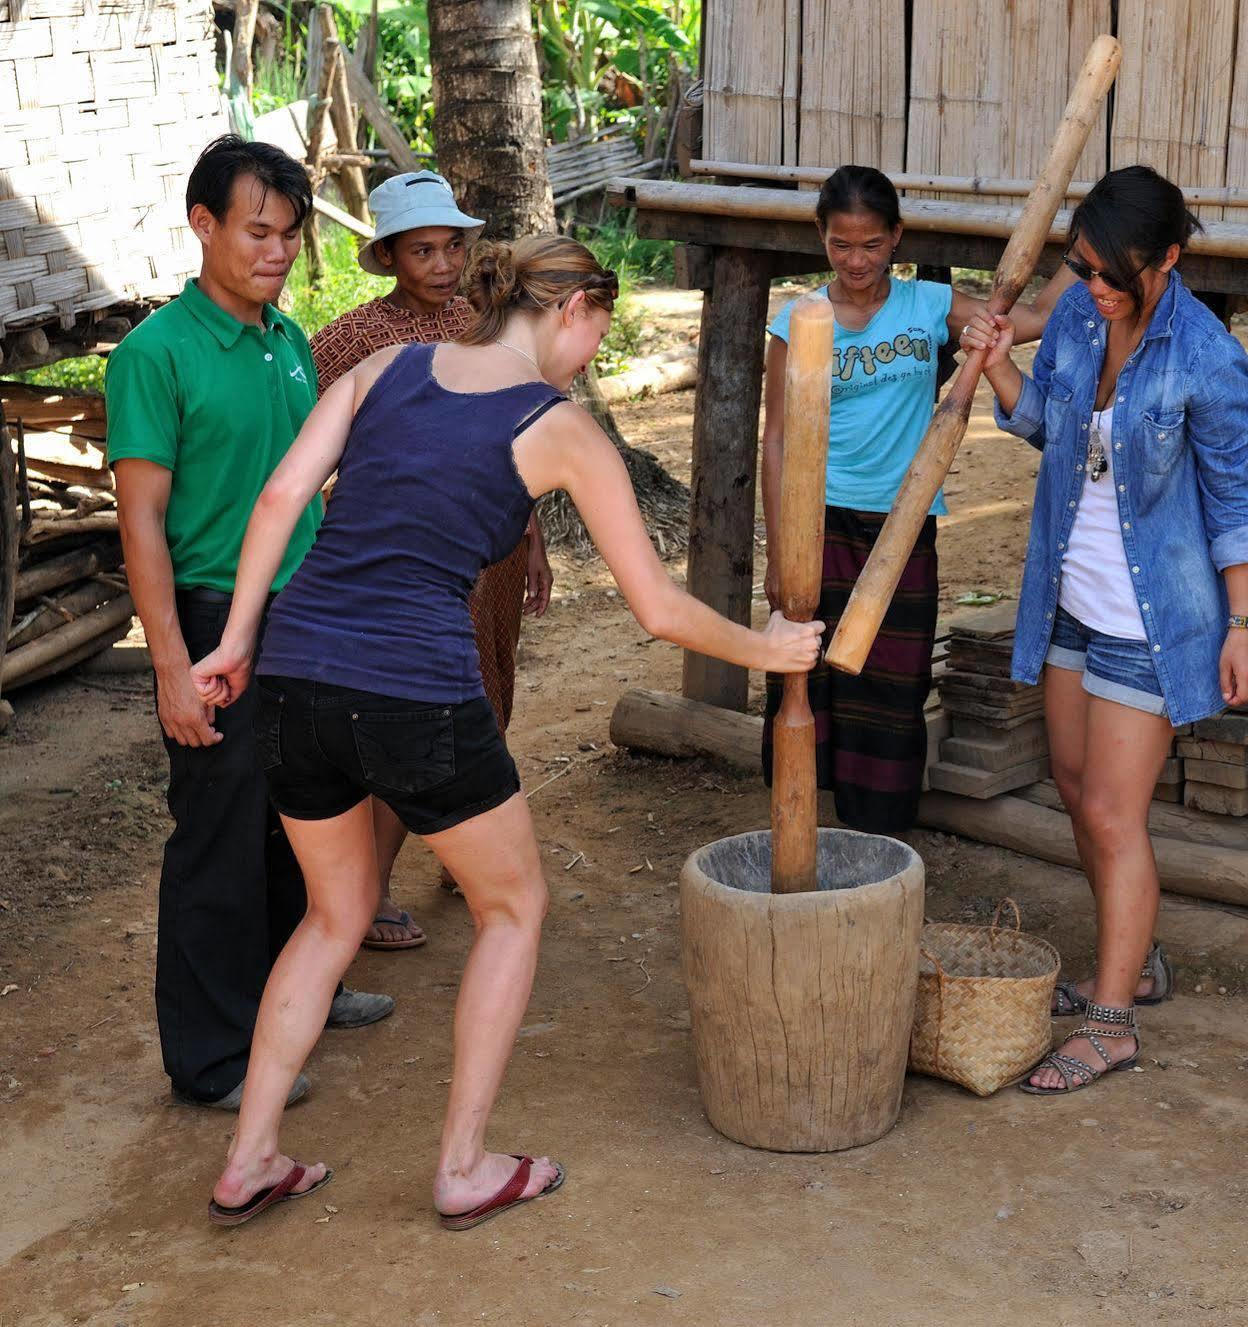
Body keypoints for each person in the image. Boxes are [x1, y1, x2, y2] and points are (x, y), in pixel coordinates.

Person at [188, 234, 822, 1230]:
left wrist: (232, 640)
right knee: (513, 907)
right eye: (596, 339)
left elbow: (280, 498)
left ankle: (249, 1157)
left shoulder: (384, 367)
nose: (590, 363)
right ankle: (463, 1164)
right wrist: (770, 651)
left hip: (292, 673)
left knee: (330, 915)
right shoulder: (557, 423)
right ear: (571, 310)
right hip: (414, 689)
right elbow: (654, 605)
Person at [960, 166, 1248, 1095]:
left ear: (1167, 260)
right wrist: (995, 361)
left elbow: (1232, 496)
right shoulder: (1078, 319)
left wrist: (1243, 622)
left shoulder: (1205, 355)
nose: (1092, 287)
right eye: (1082, 267)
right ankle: (1133, 962)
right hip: (1069, 594)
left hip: (1155, 611)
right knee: (1070, 782)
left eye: (1111, 274)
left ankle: (1113, 1020)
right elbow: (1046, 426)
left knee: (1109, 811)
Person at [107, 134, 392, 1114]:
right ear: (205, 225)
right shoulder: (155, 355)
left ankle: (300, 981)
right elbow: (141, 518)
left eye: (289, 234)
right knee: (219, 831)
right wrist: (169, 663)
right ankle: (213, 1056)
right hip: (214, 612)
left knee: (303, 808)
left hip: (310, 611)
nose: (277, 252)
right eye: (257, 231)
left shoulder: (290, 343)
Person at [758, 164, 1075, 834]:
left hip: (903, 523)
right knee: (805, 670)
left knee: (892, 678)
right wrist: (779, 547)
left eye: (870, 244)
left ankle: (876, 831)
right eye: (840, 245)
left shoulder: (927, 305)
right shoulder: (797, 320)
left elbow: (1033, 319)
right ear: (820, 237)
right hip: (814, 519)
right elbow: (778, 440)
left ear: (896, 237)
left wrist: (1084, 248)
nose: (855, 260)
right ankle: (803, 817)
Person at [308, 169, 551, 952]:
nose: (442, 264)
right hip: (408, 558)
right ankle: (372, 893)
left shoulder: (479, 324)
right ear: (388, 256)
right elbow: (303, 445)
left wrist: (533, 535)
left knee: (489, 688)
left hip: (493, 549)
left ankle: (464, 847)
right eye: (423, 250)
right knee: (415, 707)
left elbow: (514, 435)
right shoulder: (349, 340)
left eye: (451, 246)